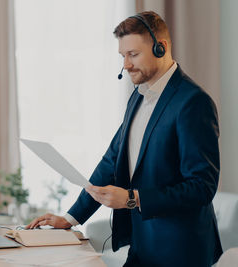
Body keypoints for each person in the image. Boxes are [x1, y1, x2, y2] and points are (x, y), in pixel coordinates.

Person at [26, 11, 222, 267]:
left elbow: (202, 187)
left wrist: (132, 198)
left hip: (180, 252)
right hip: (142, 247)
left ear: (160, 48)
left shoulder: (193, 103)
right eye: (123, 56)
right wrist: (71, 218)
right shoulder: (138, 97)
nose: (126, 65)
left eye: (133, 54)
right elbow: (111, 161)